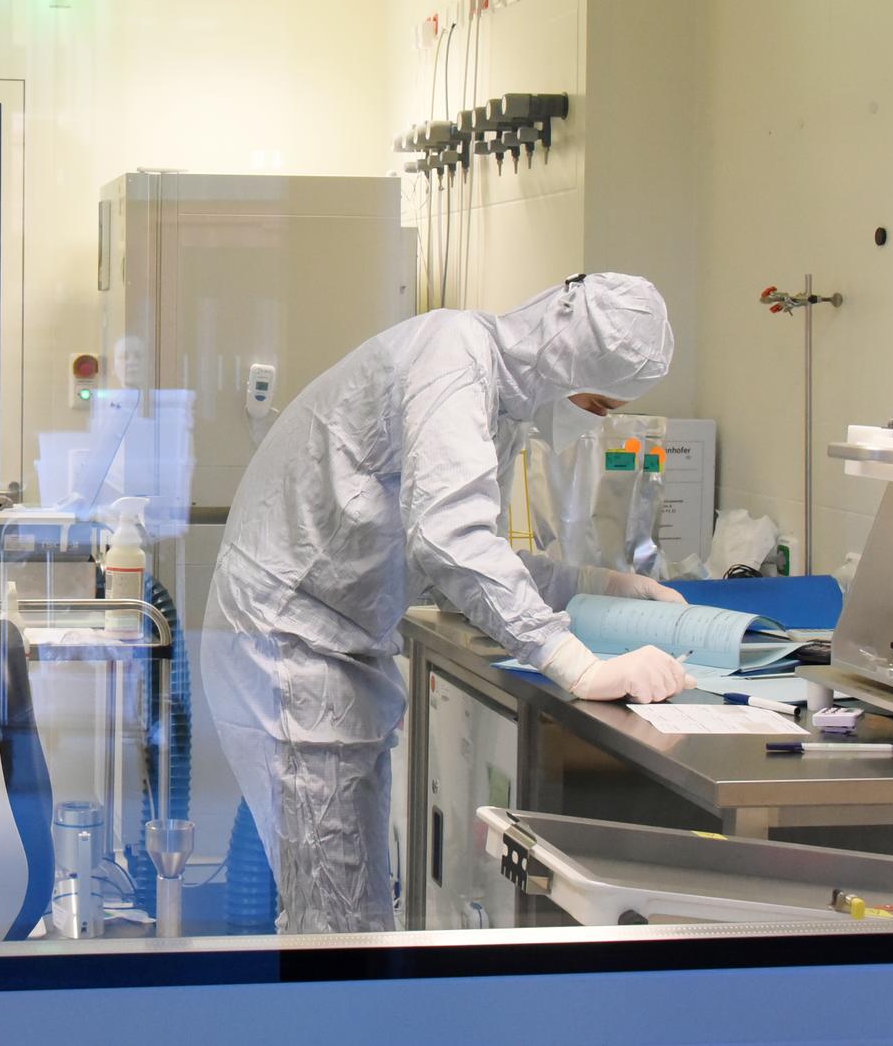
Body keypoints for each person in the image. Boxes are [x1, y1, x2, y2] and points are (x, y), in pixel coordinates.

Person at [200, 272, 693, 935]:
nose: (590, 419)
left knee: (347, 912)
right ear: (569, 361)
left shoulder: (490, 395)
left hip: (319, 645)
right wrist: (578, 664)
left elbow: (457, 549)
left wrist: (593, 586)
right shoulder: (454, 360)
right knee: (337, 925)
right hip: (290, 649)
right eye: (599, 404)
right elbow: (449, 538)